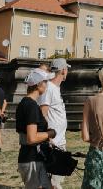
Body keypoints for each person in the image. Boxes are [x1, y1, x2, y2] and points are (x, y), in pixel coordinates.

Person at [16, 68, 57, 189]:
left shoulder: (25, 103)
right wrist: (50, 133)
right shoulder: (31, 106)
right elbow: (31, 138)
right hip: (32, 159)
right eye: (45, 81)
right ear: (38, 84)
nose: (47, 84)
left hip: (32, 158)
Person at [39, 58, 70, 189]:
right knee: (52, 182)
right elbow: (42, 114)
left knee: (55, 180)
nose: (67, 72)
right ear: (63, 70)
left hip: (59, 141)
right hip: (53, 143)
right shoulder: (49, 88)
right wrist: (47, 137)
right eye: (67, 69)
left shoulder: (55, 88)